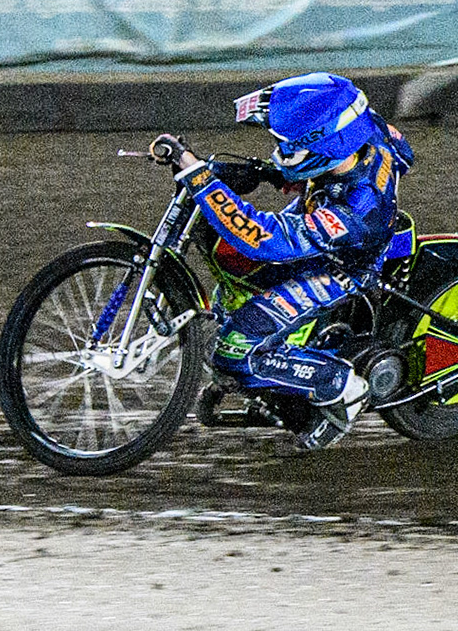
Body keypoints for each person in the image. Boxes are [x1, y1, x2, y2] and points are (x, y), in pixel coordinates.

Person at [149, 73, 413, 450]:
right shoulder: (365, 131)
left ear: (327, 145)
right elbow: (402, 153)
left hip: (339, 270)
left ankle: (338, 385)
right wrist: (274, 173)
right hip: (330, 229)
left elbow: (263, 238)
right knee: (231, 277)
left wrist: (202, 179)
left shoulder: (358, 207)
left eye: (289, 147)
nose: (281, 151)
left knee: (231, 350)